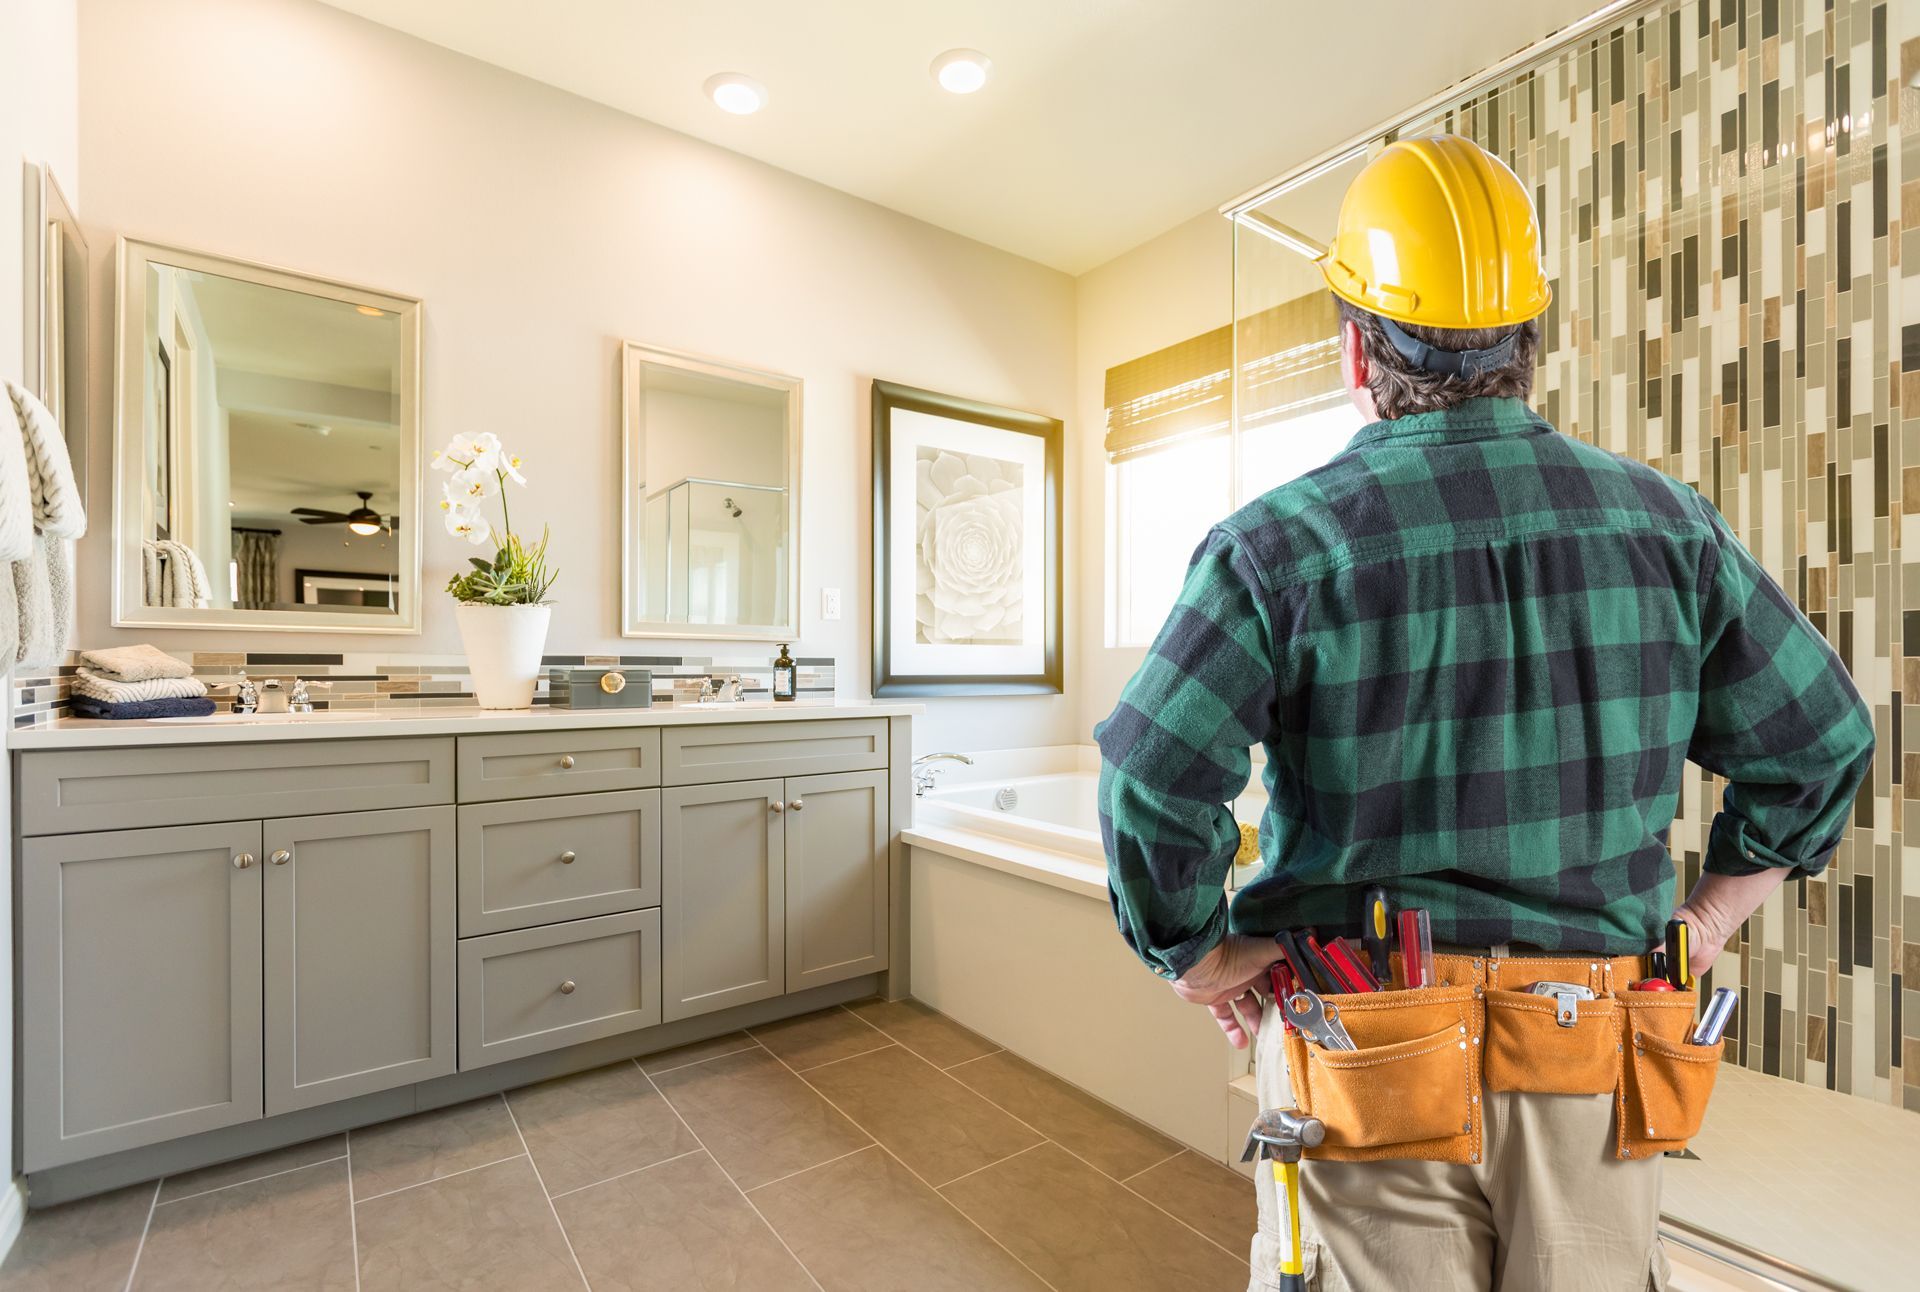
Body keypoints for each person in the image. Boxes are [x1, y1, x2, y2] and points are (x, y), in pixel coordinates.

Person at [1094, 135, 1874, 1290]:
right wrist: (1707, 916)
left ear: (1357, 345)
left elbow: (1153, 775)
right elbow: (1825, 741)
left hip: (1366, 1052)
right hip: (1595, 1050)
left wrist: (1202, 951)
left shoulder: (1277, 546)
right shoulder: (1668, 528)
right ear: (1529, 341)